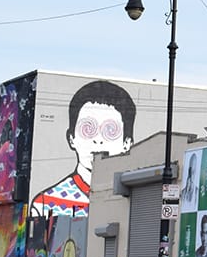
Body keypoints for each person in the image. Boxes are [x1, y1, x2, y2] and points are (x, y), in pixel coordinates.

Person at [32, 81, 137, 218]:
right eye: (88, 129)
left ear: (127, 143)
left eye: (110, 130)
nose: (98, 140)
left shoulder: (134, 199)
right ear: (71, 138)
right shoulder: (45, 203)